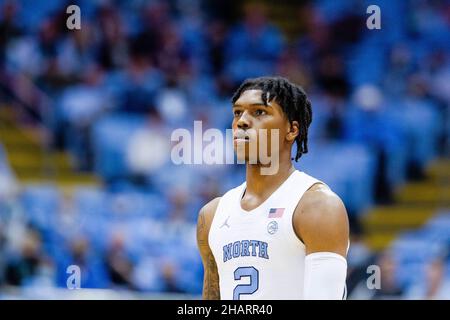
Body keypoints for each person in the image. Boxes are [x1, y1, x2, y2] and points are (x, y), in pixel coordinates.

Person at [196, 76, 349, 300]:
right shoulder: (211, 215)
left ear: (292, 129)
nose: (242, 122)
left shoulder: (318, 207)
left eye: (259, 112)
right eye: (237, 113)